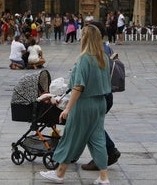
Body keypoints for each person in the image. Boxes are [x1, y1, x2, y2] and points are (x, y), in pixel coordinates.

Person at [40, 25, 111, 184]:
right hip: (100, 103)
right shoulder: (104, 57)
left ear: (85, 38)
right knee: (98, 139)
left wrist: (68, 108)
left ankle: (59, 174)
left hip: (84, 104)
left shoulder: (84, 59)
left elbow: (78, 87)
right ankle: (104, 178)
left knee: (71, 137)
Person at [81, 21, 121, 171]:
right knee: (93, 125)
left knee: (92, 126)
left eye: (85, 32)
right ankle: (107, 153)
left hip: (100, 95)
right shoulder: (105, 48)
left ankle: (108, 152)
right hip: (105, 93)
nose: (82, 35)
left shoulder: (98, 51)